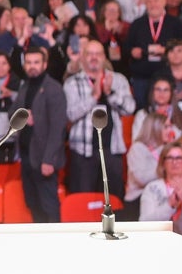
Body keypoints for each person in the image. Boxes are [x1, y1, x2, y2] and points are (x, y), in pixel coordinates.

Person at [63, 39, 135, 195]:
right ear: (82, 57)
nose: (94, 57)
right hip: (83, 152)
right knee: (83, 202)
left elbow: (130, 109)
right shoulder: (72, 83)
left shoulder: (118, 80)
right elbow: (70, 114)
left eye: (98, 54)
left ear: (104, 57)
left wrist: (110, 94)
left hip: (112, 150)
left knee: (113, 201)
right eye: (89, 54)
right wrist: (94, 96)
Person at [11, 47, 68, 222]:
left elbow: (58, 128)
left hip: (44, 158)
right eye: (28, 63)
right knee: (33, 203)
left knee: (49, 205)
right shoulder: (25, 86)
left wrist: (49, 160)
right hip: (27, 155)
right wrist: (21, 116)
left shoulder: (54, 88)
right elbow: (12, 113)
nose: (32, 66)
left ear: (44, 64)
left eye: (36, 62)